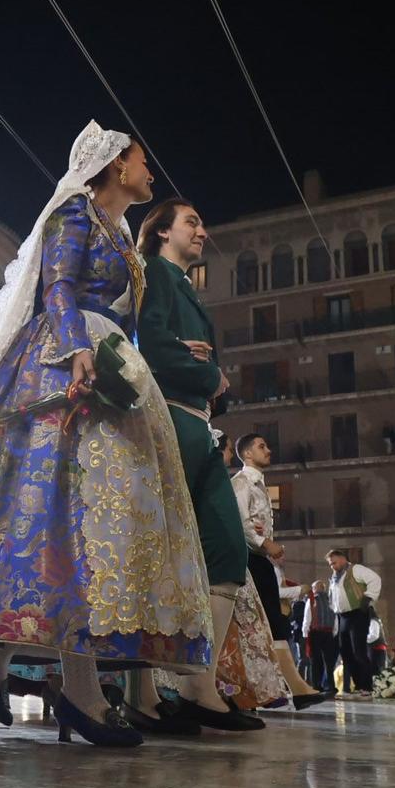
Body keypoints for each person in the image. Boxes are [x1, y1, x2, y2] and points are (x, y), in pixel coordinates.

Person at [0, 122, 213, 749]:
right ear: (112, 166)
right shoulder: (74, 212)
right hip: (62, 361)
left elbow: (128, 317)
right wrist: (78, 348)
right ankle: (67, 685)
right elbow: (56, 285)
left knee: (98, 525)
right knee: (60, 517)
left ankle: (6, 654)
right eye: (141, 160)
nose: (150, 172)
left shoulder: (129, 244)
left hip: (116, 367)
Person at [128, 195, 270, 732]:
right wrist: (205, 372)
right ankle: (141, 690)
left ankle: (197, 684)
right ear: (162, 232)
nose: (203, 230)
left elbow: (197, 362)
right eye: (192, 221)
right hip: (168, 421)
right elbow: (155, 349)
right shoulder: (154, 275)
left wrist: (215, 383)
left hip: (202, 426)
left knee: (229, 550)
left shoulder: (190, 290)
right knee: (157, 551)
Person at [230, 431, 331, 708]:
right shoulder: (241, 483)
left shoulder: (257, 484)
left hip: (259, 559)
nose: (269, 450)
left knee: (270, 622)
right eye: (262, 446)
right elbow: (240, 522)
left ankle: (283, 687)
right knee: (267, 622)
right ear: (247, 453)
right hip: (250, 559)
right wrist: (265, 543)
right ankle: (290, 687)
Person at [324, 550, 382, 695]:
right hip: (343, 616)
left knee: (359, 651)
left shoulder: (356, 569)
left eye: (334, 563)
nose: (332, 566)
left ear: (343, 559)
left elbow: (375, 579)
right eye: (330, 564)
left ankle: (367, 687)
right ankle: (358, 685)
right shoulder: (334, 577)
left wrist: (368, 598)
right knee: (346, 653)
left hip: (358, 613)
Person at [301, 570, 340, 693]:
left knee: (315, 661)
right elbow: (336, 619)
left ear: (315, 589)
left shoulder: (312, 600)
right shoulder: (331, 600)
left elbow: (307, 617)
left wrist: (305, 633)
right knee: (329, 662)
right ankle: (330, 686)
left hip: (315, 633)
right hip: (329, 633)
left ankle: (316, 685)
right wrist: (333, 632)